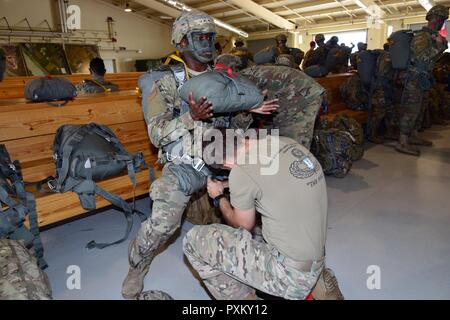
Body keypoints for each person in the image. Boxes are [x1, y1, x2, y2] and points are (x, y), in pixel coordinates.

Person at [121, 10, 279, 299]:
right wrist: (190, 117)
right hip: (185, 162)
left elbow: (233, 124)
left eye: (211, 37)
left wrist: (249, 109)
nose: (207, 43)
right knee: (163, 225)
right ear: (181, 41)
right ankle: (137, 265)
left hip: (223, 153)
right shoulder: (162, 80)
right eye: (200, 37)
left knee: (267, 198)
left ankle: (260, 264)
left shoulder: (223, 78)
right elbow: (156, 135)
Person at [183, 129, 344, 300]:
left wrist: (218, 197)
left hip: (290, 275)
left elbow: (242, 225)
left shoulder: (241, 172)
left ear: (225, 165)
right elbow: (262, 177)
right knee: (262, 223)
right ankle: (322, 286)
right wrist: (227, 183)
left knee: (193, 241)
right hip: (314, 257)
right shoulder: (283, 142)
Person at [393, 5, 448, 156]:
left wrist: (439, 46)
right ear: (436, 19)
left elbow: (431, 59)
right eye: (442, 19)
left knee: (421, 108)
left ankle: (414, 135)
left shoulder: (431, 36)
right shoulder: (422, 36)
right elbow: (420, 58)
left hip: (423, 78)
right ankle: (402, 141)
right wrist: (440, 46)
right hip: (414, 78)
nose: (443, 23)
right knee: (411, 109)